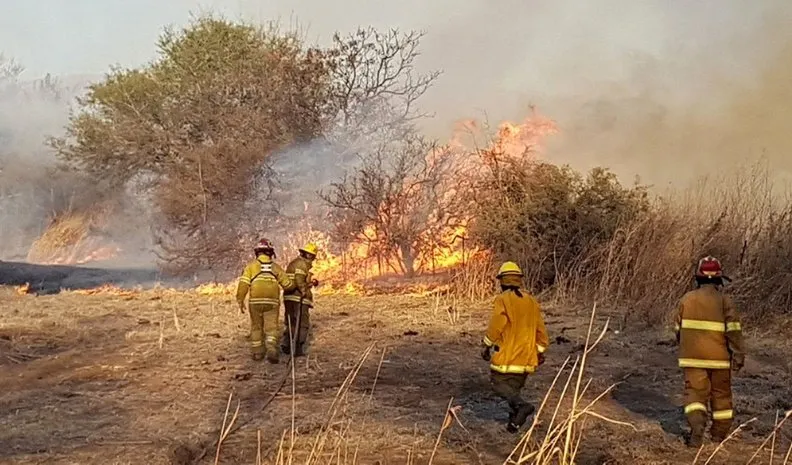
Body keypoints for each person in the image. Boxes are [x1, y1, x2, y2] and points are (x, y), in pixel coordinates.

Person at [674, 255, 745, 448]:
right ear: (719, 278)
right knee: (721, 397)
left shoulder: (686, 300)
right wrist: (738, 355)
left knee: (695, 396)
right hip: (720, 361)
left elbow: (678, 330)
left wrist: (685, 347)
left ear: (698, 277)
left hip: (693, 360)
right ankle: (718, 436)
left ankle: (697, 430)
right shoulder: (725, 301)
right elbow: (734, 332)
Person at [481, 261, 549, 433]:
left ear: (502, 281)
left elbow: (497, 324)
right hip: (526, 359)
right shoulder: (531, 301)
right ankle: (514, 421)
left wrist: (486, 344)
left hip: (507, 357)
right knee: (514, 389)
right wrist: (539, 351)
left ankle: (524, 407)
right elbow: (541, 331)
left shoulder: (503, 300)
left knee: (498, 385)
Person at [236, 238, 296, 363]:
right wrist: (296, 284)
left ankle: (257, 353)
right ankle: (271, 349)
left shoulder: (251, 267)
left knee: (256, 327)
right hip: (272, 302)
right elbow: (288, 285)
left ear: (257, 253)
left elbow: (243, 284)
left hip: (255, 302)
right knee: (271, 328)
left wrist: (240, 299)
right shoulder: (276, 268)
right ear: (270, 253)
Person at [282, 242, 319, 356]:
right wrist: (304, 290)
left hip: (289, 297)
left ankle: (287, 344)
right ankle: (297, 347)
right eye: (311, 255)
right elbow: (299, 280)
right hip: (298, 299)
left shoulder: (294, 263)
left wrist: (311, 283)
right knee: (302, 323)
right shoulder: (302, 264)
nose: (312, 258)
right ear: (307, 255)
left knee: (291, 322)